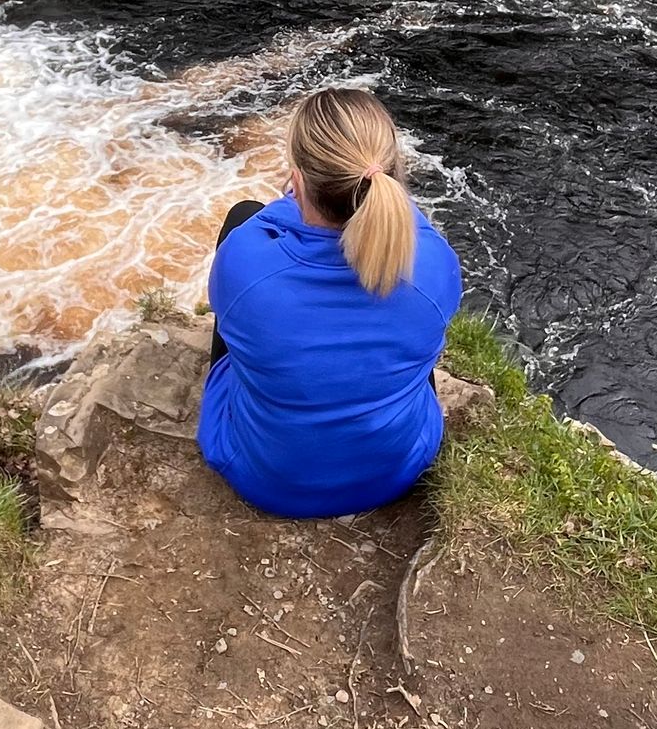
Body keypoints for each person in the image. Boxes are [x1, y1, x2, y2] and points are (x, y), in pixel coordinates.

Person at [197, 87, 462, 519]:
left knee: (242, 213)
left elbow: (266, 226)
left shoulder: (244, 260)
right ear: (390, 178)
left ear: (298, 182)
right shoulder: (436, 264)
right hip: (397, 470)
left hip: (267, 478)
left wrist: (293, 204)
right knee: (413, 336)